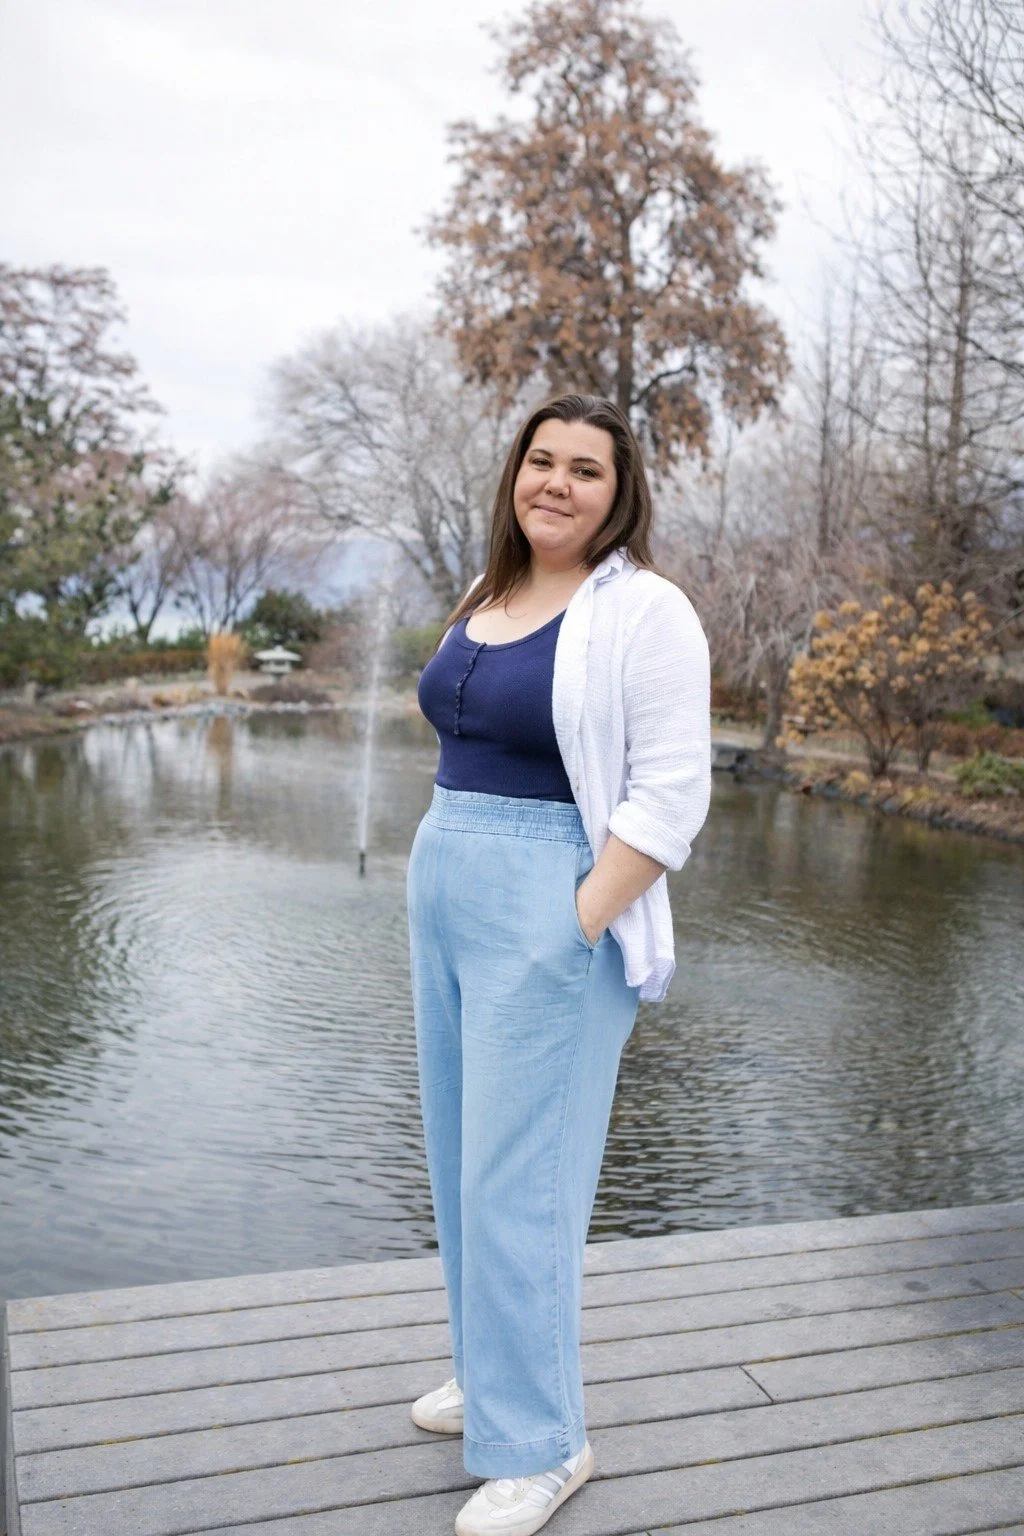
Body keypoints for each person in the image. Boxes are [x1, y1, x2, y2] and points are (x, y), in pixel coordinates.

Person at [406, 392, 711, 1535]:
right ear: (515, 474)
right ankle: (492, 1378)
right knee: (458, 1162)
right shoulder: (487, 595)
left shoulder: (646, 611)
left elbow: (672, 795)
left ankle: (545, 1444)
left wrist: (577, 918)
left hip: (549, 906)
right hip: (445, 893)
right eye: (542, 461)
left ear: (617, 493)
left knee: (520, 1184)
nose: (558, 484)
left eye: (586, 470)